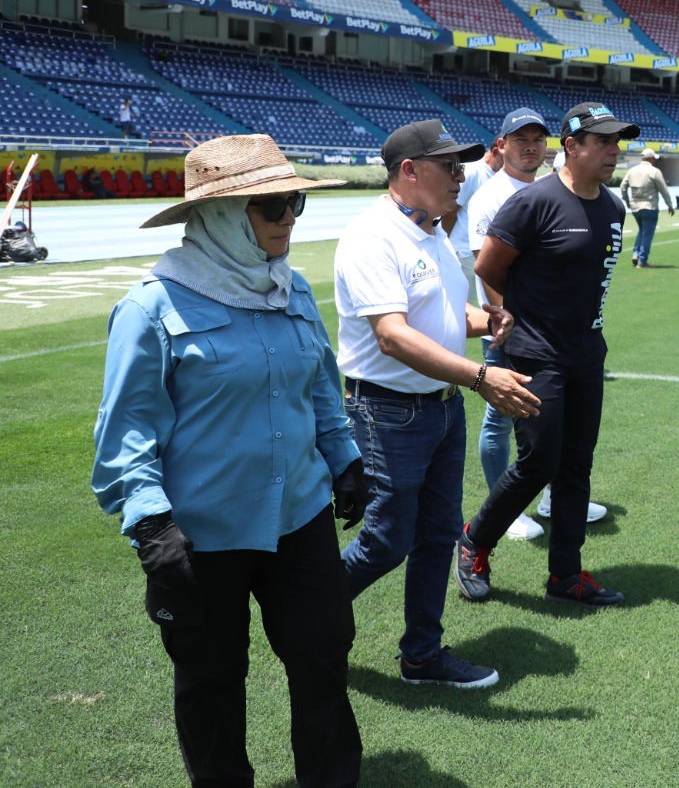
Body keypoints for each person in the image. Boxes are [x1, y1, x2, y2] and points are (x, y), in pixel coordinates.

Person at [90, 134, 364, 787]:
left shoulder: (291, 288)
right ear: (216, 216)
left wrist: (344, 456)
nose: (289, 217)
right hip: (200, 534)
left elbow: (321, 386)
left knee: (323, 657)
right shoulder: (151, 306)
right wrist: (152, 524)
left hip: (298, 514)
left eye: (294, 201)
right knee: (212, 683)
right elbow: (126, 431)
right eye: (272, 205)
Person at [334, 119, 540, 689]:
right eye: (449, 165)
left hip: (441, 406)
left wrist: (487, 319)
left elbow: (443, 315)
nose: (461, 174)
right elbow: (394, 336)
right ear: (409, 171)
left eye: (461, 164)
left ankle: (422, 656)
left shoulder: (429, 231)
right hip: (390, 410)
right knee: (386, 540)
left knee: (436, 535)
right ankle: (306, 611)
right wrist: (481, 376)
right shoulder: (373, 236)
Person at [453, 102, 637, 608]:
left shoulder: (613, 207)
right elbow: (490, 268)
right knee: (538, 462)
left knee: (576, 466)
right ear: (571, 146)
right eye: (602, 142)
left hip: (586, 354)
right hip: (536, 354)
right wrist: (513, 321)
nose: (613, 151)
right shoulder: (534, 202)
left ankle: (566, 575)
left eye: (616, 142)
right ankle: (474, 540)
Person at [466, 108, 609, 540]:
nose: (530, 146)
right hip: (512, 332)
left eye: (537, 138)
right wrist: (510, 322)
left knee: (554, 441)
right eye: (520, 138)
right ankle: (505, 510)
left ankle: (548, 501)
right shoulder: (493, 197)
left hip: (557, 338)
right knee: (501, 422)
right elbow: (486, 266)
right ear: (501, 145)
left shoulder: (549, 191)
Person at [450, 131, 503, 286]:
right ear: (495, 151)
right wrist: (447, 241)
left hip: (481, 249)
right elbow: (451, 210)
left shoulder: (497, 174)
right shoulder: (473, 172)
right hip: (464, 250)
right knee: (464, 303)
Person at [620, 146, 674, 267]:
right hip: (650, 206)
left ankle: (636, 253)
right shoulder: (655, 171)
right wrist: (669, 205)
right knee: (647, 235)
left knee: (641, 231)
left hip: (635, 207)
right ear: (650, 158)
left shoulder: (632, 170)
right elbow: (664, 190)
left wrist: (627, 201)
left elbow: (623, 187)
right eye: (654, 158)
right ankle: (642, 261)